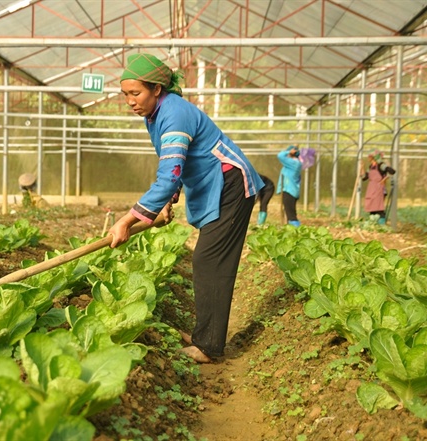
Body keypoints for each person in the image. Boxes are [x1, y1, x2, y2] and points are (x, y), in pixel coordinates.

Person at [110, 53, 264, 363]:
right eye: (125, 94)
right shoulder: (156, 115)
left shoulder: (174, 113)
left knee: (210, 261)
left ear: (157, 89)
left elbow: (170, 174)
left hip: (231, 184)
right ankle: (204, 336)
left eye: (135, 93)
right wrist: (166, 200)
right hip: (216, 184)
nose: (130, 101)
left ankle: (208, 346)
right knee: (208, 260)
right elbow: (177, 162)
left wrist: (129, 219)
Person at [361, 150, 396, 224]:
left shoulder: (381, 165)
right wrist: (362, 168)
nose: (368, 157)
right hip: (371, 189)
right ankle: (373, 224)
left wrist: (384, 179)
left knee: (379, 208)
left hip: (379, 188)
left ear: (374, 157)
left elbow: (392, 171)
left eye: (370, 156)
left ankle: (381, 224)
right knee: (372, 207)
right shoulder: (371, 167)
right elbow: (364, 178)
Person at [276, 145, 302, 227]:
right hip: (291, 190)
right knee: (290, 212)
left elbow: (280, 155)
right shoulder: (293, 164)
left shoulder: (294, 163)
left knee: (291, 214)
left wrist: (288, 152)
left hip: (289, 191)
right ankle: (291, 229)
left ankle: (296, 229)